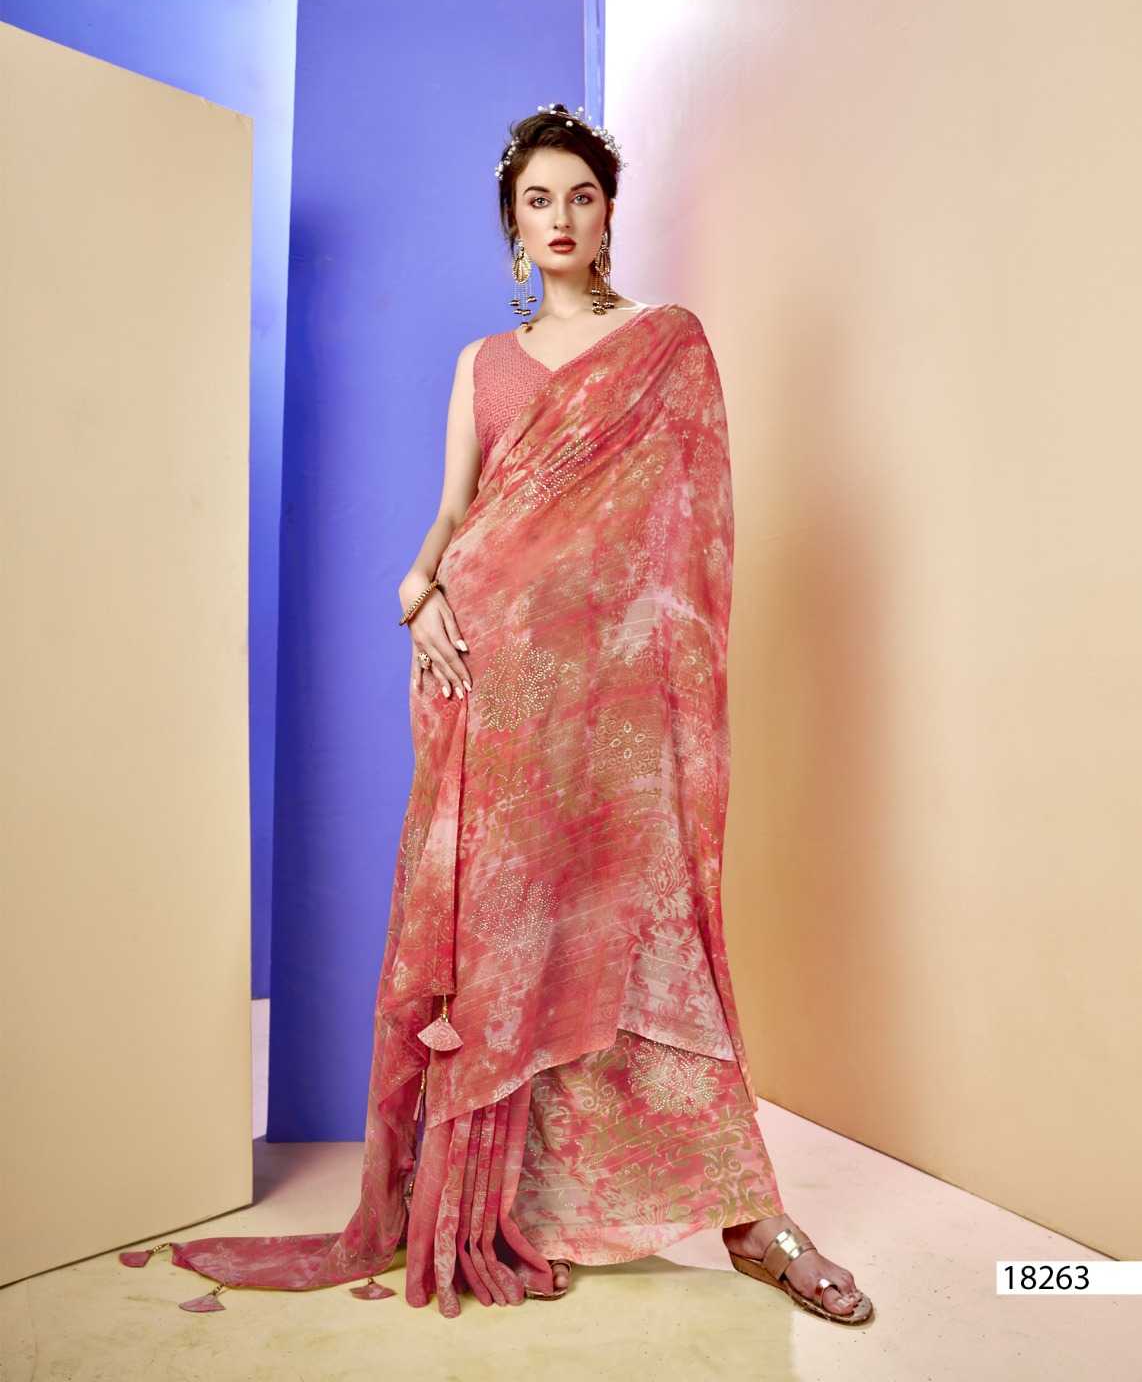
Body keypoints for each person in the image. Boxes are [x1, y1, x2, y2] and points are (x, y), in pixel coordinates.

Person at [120, 103, 872, 1326]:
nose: (560, 217)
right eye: (537, 200)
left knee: (645, 932)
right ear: (512, 226)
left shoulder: (666, 346)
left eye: (581, 195)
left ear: (609, 212)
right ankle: (516, 1203)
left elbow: (688, 537)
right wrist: (415, 592)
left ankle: (750, 1215)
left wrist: (641, 673)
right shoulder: (482, 363)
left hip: (613, 704)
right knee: (505, 949)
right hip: (488, 686)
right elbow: (453, 514)